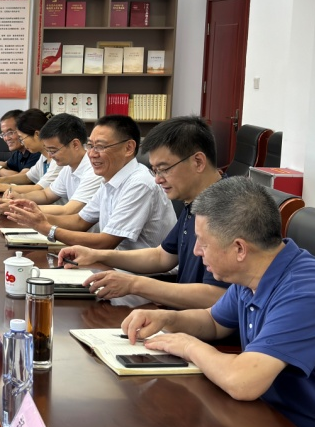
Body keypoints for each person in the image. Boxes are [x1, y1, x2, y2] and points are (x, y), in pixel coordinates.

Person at [122, 177, 315, 427]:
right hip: (280, 420)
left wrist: (187, 345)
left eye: (203, 243)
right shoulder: (256, 273)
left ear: (239, 248)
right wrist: (168, 319)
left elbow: (243, 382)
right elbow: (214, 322)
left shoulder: (306, 295)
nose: (196, 251)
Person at [58, 115, 229, 308]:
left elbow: (218, 296)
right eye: (155, 170)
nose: (157, 179)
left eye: (164, 169)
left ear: (198, 162)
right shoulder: (196, 202)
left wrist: (135, 284)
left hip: (198, 318)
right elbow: (162, 256)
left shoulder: (227, 210)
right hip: (181, 311)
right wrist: (97, 255)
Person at [5, 114, 174, 251]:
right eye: (90, 145)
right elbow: (79, 221)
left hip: (146, 275)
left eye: (100, 146)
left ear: (128, 148)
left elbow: (106, 241)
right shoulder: (110, 179)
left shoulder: (139, 184)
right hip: (116, 264)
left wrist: (48, 228)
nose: (92, 154)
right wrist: (37, 218)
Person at [0, 112, 100, 217]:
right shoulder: (68, 167)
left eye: (53, 150)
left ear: (75, 144)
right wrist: (20, 198)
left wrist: (19, 207)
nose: (50, 156)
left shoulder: (93, 170)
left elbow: (68, 210)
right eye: (48, 151)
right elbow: (46, 195)